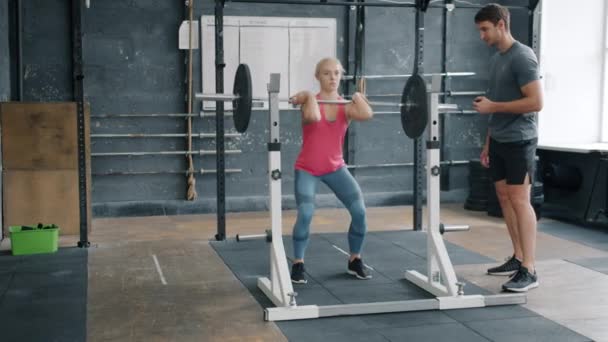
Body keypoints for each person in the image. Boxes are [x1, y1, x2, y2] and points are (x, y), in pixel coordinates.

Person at [473, 4, 544, 292]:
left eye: (485, 29)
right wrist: (489, 141)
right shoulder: (497, 59)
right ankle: (517, 257)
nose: (482, 36)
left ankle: (530, 268)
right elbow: (495, 103)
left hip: (520, 140)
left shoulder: (523, 57)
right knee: (504, 198)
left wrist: (494, 107)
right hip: (500, 140)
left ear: (501, 24)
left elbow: (536, 102)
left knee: (519, 200)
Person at [288, 57, 374, 284]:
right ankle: (298, 263)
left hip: (335, 168)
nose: (333, 77)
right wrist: (306, 96)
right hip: (307, 168)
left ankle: (355, 259)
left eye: (337, 73)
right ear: (318, 77)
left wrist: (356, 96)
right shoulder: (310, 102)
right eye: (327, 73)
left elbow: (366, 114)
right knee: (306, 213)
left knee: (360, 212)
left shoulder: (347, 106)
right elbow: (313, 117)